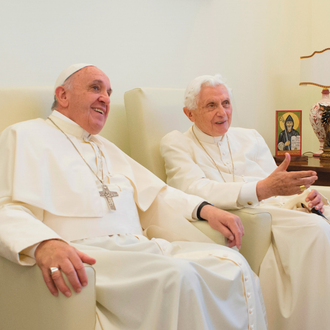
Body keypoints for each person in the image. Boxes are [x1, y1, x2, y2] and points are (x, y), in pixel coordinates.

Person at [0, 65, 268, 330]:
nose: (105, 97)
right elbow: (6, 206)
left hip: (138, 248)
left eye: (108, 91)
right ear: (63, 95)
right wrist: (43, 243)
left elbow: (158, 195)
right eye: (95, 88)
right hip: (89, 253)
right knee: (178, 276)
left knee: (233, 267)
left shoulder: (106, 147)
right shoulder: (23, 135)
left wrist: (205, 209)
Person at [160, 74, 330, 330]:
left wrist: (304, 196)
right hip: (249, 217)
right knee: (316, 230)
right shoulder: (176, 143)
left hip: (277, 209)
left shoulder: (249, 137)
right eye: (211, 105)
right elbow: (193, 189)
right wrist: (260, 190)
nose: (222, 112)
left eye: (226, 103)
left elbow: (276, 185)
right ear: (190, 113)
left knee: (320, 213)